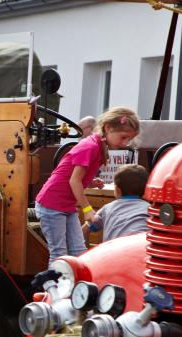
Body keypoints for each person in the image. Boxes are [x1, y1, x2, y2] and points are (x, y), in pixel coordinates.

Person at [34, 106, 140, 266]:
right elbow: (74, 181)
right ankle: (55, 289)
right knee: (59, 253)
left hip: (66, 206)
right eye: (123, 137)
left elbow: (76, 176)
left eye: (129, 140)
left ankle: (79, 288)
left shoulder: (99, 147)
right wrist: (87, 210)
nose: (125, 143)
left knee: (79, 251)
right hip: (52, 204)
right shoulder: (90, 147)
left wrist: (91, 181)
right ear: (108, 128)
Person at [82, 164, 150, 242]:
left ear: (118, 191)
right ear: (146, 190)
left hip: (113, 251)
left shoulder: (107, 209)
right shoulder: (150, 209)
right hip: (141, 249)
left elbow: (84, 231)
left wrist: (85, 253)